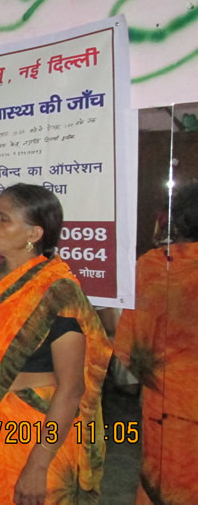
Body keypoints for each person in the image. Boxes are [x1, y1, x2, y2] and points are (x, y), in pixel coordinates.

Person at [0, 184, 112, 504]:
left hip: (38, 435)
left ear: (34, 233)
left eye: (3, 219)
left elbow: (71, 389)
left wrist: (38, 465)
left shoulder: (58, 292)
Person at [114, 180, 198, 504]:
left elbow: (132, 350)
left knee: (163, 485)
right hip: (173, 403)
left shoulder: (154, 266)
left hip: (168, 406)